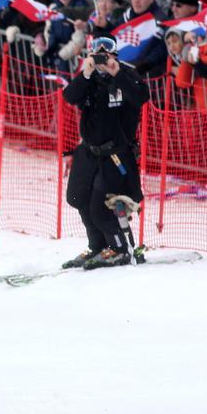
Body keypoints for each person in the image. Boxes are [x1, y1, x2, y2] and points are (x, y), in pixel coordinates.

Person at [60, 36, 151, 269]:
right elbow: (69, 96)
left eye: (107, 53)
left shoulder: (126, 75)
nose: (103, 58)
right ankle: (97, 246)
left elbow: (141, 96)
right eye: (98, 54)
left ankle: (121, 248)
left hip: (116, 154)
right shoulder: (88, 79)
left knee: (102, 206)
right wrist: (86, 74)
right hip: (88, 151)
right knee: (78, 199)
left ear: (116, 54)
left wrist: (116, 73)